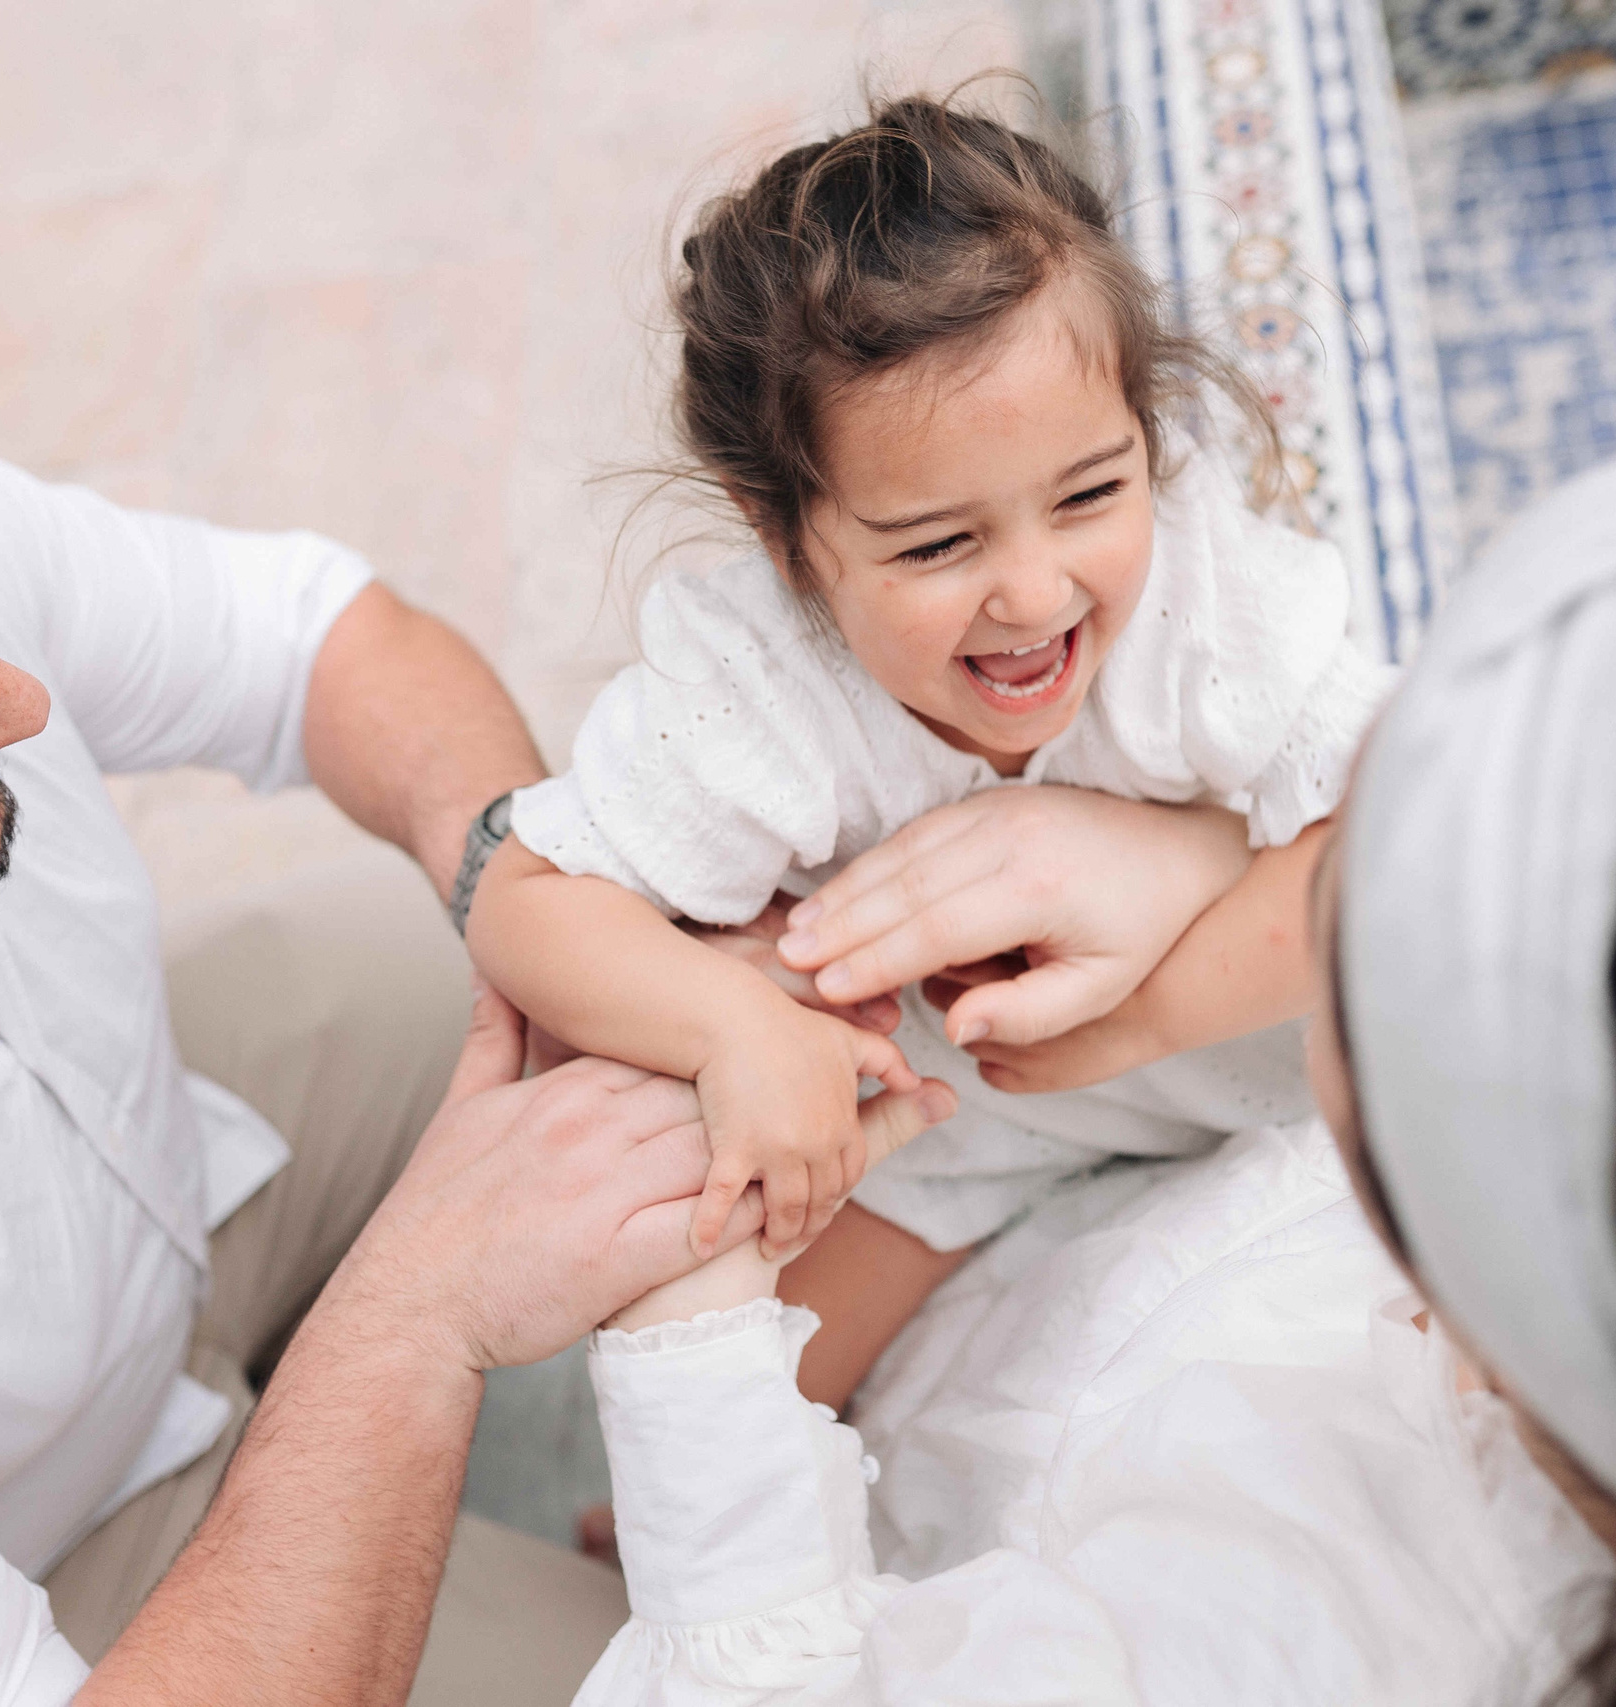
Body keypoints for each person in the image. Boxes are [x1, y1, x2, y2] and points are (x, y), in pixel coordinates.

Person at [0, 220, 948, 1704]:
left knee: (721, 918)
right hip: (58, 1576)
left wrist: (543, 909)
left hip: (186, 1136)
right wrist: (417, 1313)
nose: (14, 700)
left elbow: (317, 641)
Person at [555, 426, 1616, 1704]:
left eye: (1352, 904)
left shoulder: (1306, 1642)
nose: (1351, 820)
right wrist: (1190, 865)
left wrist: (693, 1311)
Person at [467, 95, 1393, 1406]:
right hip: (967, 1126)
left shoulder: (1201, 600)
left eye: (1089, 494)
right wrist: (739, 1031)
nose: (1033, 592)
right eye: (936, 546)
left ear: (1146, 436)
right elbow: (527, 898)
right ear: (785, 532)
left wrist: (1141, 1020)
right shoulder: (766, 684)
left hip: (1262, 1062)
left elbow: (1405, 835)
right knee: (738, 1412)